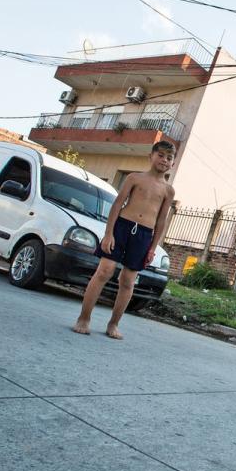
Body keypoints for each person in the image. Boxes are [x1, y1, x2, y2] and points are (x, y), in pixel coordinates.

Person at [73, 141, 176, 339]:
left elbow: (161, 220)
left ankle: (113, 324)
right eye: (161, 155)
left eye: (169, 158)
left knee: (128, 280)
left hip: (144, 235)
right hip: (122, 227)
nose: (164, 160)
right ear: (151, 156)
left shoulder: (168, 191)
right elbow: (117, 204)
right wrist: (109, 233)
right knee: (104, 271)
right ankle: (84, 318)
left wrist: (153, 247)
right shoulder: (134, 178)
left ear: (172, 163)